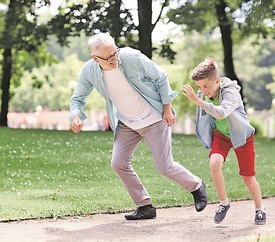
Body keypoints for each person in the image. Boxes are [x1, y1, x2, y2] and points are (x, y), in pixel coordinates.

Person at [69, 33, 207, 220]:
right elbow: (78, 98)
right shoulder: (89, 71)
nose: (114, 59)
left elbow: (160, 77)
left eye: (115, 53)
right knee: (118, 163)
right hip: (127, 123)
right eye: (108, 57)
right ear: (95, 59)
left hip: (153, 118)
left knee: (165, 167)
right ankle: (145, 206)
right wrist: (76, 116)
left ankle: (196, 186)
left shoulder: (131, 57)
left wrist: (167, 108)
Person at [182, 58, 266, 225]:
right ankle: (224, 203)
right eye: (199, 87)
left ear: (217, 81)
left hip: (242, 136)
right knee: (214, 163)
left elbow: (222, 113)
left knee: (248, 178)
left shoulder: (230, 92)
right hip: (221, 135)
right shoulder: (203, 94)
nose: (203, 91)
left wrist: (199, 101)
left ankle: (260, 209)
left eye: (206, 86)